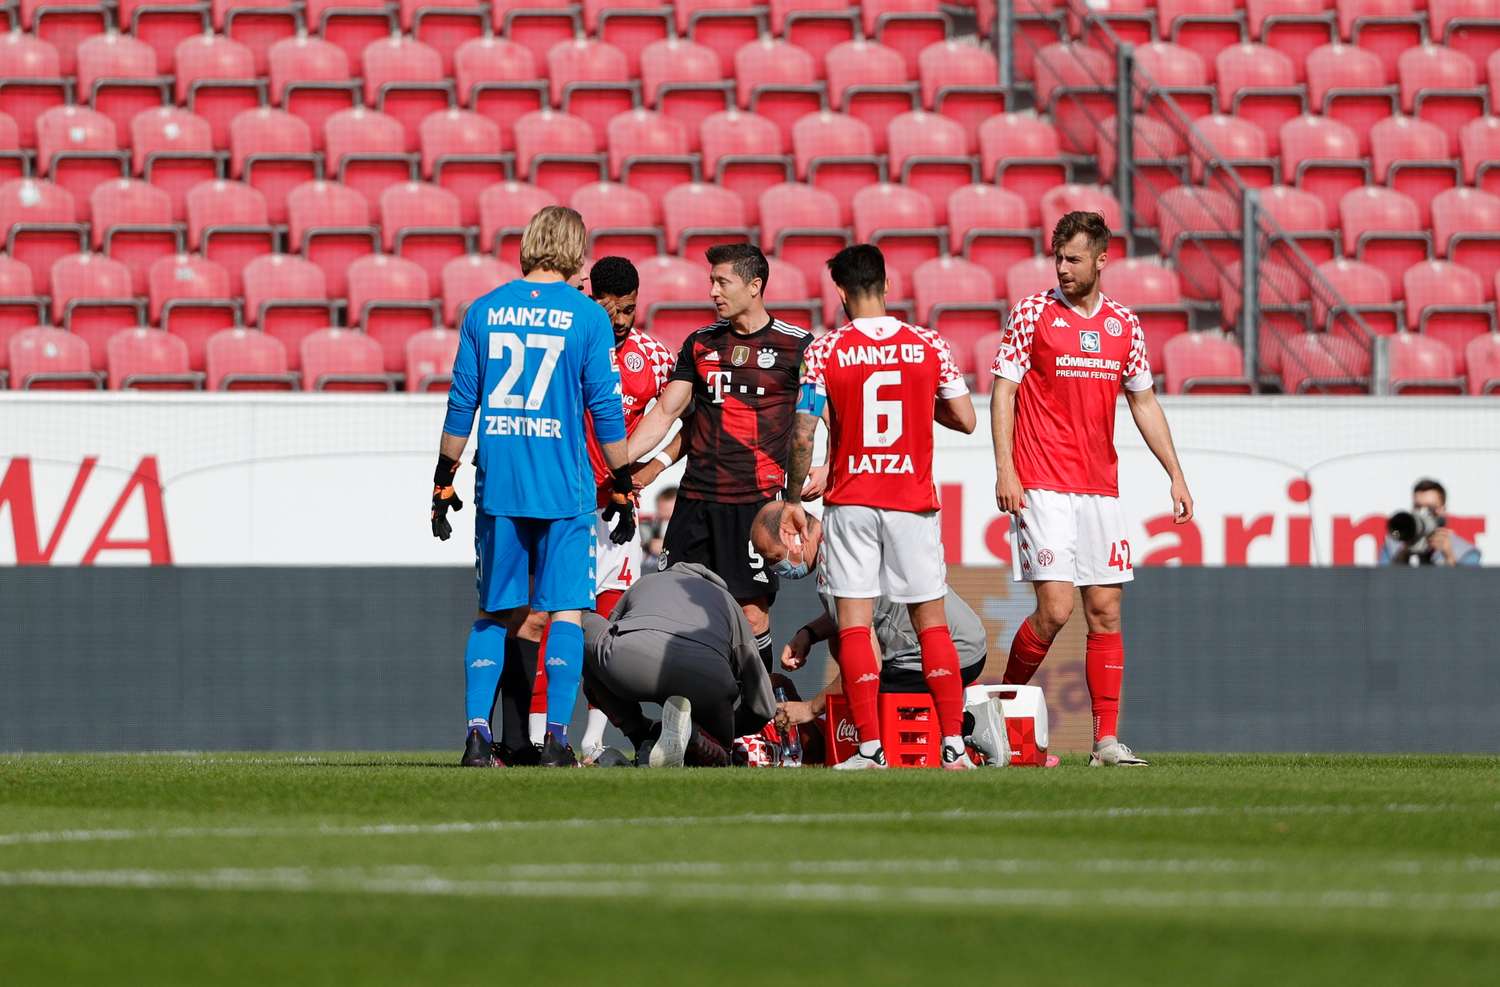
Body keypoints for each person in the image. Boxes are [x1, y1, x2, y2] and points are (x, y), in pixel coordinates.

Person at [431, 205, 636, 769]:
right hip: (565, 489)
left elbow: (461, 405)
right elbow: (606, 412)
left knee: (493, 612)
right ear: (572, 249)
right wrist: (622, 486)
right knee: (566, 612)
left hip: (501, 484)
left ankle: (477, 736)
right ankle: (557, 743)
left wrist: (442, 483)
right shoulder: (588, 316)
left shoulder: (484, 310)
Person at [989, 210, 1194, 768]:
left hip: (1099, 488)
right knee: (1055, 610)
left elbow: (1144, 401)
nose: (1062, 268)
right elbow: (1004, 391)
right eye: (1058, 258)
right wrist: (1005, 468)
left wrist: (1174, 474)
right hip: (1042, 484)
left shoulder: (1125, 325)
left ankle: (1105, 743)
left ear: (1102, 260)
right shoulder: (1032, 313)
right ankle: (998, 717)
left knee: (1105, 610)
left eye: (1073, 259)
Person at [780, 244, 978, 770]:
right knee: (930, 623)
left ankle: (869, 748)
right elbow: (965, 418)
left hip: (853, 499)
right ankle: (954, 746)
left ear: (840, 292)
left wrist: (793, 498)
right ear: (887, 285)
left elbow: (802, 434)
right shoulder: (929, 344)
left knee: (854, 622)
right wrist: (917, 400)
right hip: (911, 499)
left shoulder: (826, 349)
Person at [627, 243, 824, 671]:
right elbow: (666, 413)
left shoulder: (798, 347)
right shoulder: (700, 343)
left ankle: (759, 708)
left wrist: (830, 466)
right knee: (678, 611)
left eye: (722, 282)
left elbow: (835, 415)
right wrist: (621, 460)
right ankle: (690, 711)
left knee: (751, 615)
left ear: (754, 286)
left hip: (756, 505)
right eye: (711, 282)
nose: (713, 291)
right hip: (696, 501)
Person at [524, 256, 677, 762]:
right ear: (593, 301)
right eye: (612, 310)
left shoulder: (654, 357)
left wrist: (652, 468)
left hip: (617, 514)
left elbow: (693, 418)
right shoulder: (566, 344)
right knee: (549, 620)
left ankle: (593, 738)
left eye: (629, 310)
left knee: (607, 630)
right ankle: (539, 735)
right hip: (563, 506)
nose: (621, 321)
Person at [745, 504, 1009, 767]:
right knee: (847, 651)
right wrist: (809, 633)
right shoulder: (841, 535)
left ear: (793, 536)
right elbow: (855, 612)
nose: (775, 568)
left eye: (773, 557)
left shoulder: (834, 568)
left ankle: (971, 724)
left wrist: (809, 709)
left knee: (862, 695)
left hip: (955, 653)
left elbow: (869, 663)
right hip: (965, 639)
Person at [580, 562, 777, 767]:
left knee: (580, 631)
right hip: (707, 681)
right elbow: (763, 707)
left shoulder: (645, 582)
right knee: (719, 751)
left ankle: (642, 738)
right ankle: (698, 738)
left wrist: (603, 695)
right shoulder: (729, 602)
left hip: (631, 661)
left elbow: (610, 632)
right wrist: (731, 727)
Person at [1379, 478, 1482, 567]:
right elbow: (1383, 580)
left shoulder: (1465, 552)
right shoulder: (1392, 545)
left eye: (1430, 508)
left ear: (1443, 510)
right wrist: (1403, 554)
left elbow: (1468, 583)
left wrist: (1449, 558)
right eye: (1418, 507)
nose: (1423, 513)